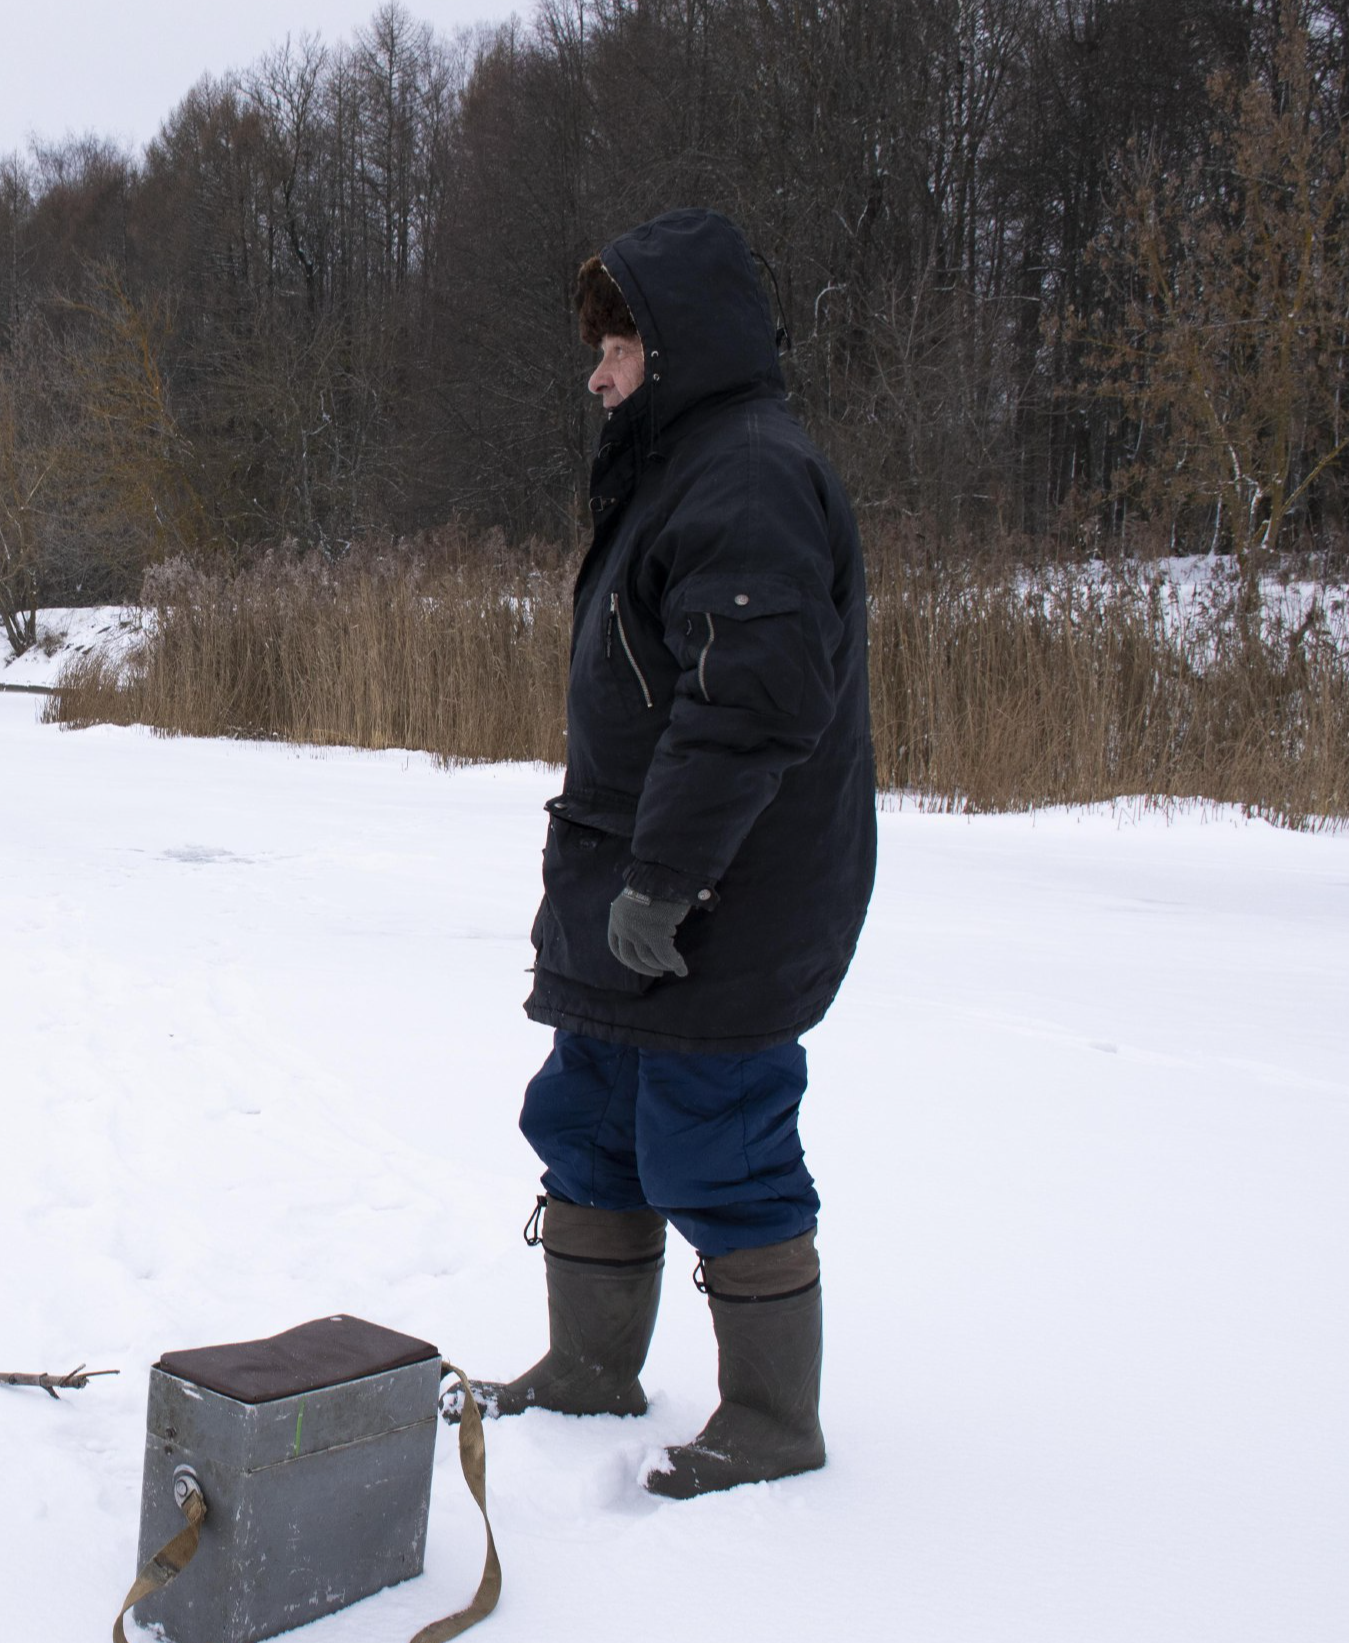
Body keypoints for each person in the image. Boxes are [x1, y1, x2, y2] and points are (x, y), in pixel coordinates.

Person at [469, 208, 875, 1499]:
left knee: (720, 1137)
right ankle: (590, 1367)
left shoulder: (747, 473)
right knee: (587, 1119)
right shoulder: (675, 467)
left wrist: (670, 879)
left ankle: (771, 1421)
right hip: (625, 869)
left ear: (682, 348)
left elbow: (751, 699)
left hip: (729, 891)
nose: (598, 373)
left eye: (621, 346)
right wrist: (631, 875)